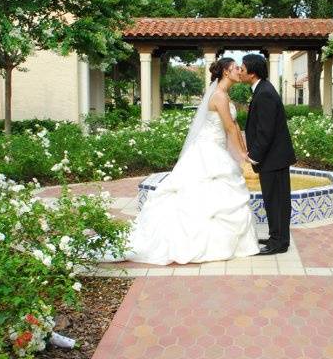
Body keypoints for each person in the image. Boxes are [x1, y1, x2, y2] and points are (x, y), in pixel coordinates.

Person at [104, 58, 259, 265]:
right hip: (208, 150)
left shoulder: (226, 96)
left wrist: (243, 149)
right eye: (235, 68)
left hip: (217, 149)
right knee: (200, 197)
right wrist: (241, 154)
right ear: (225, 72)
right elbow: (230, 128)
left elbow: (235, 126)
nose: (239, 71)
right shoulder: (219, 97)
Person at [240, 54, 297, 255]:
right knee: (274, 200)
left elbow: (266, 130)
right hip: (273, 158)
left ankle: (279, 243)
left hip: (274, 159)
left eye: (242, 68)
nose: (240, 71)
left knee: (277, 201)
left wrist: (254, 155)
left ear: (252, 72)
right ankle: (277, 236)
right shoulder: (262, 89)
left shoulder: (264, 93)